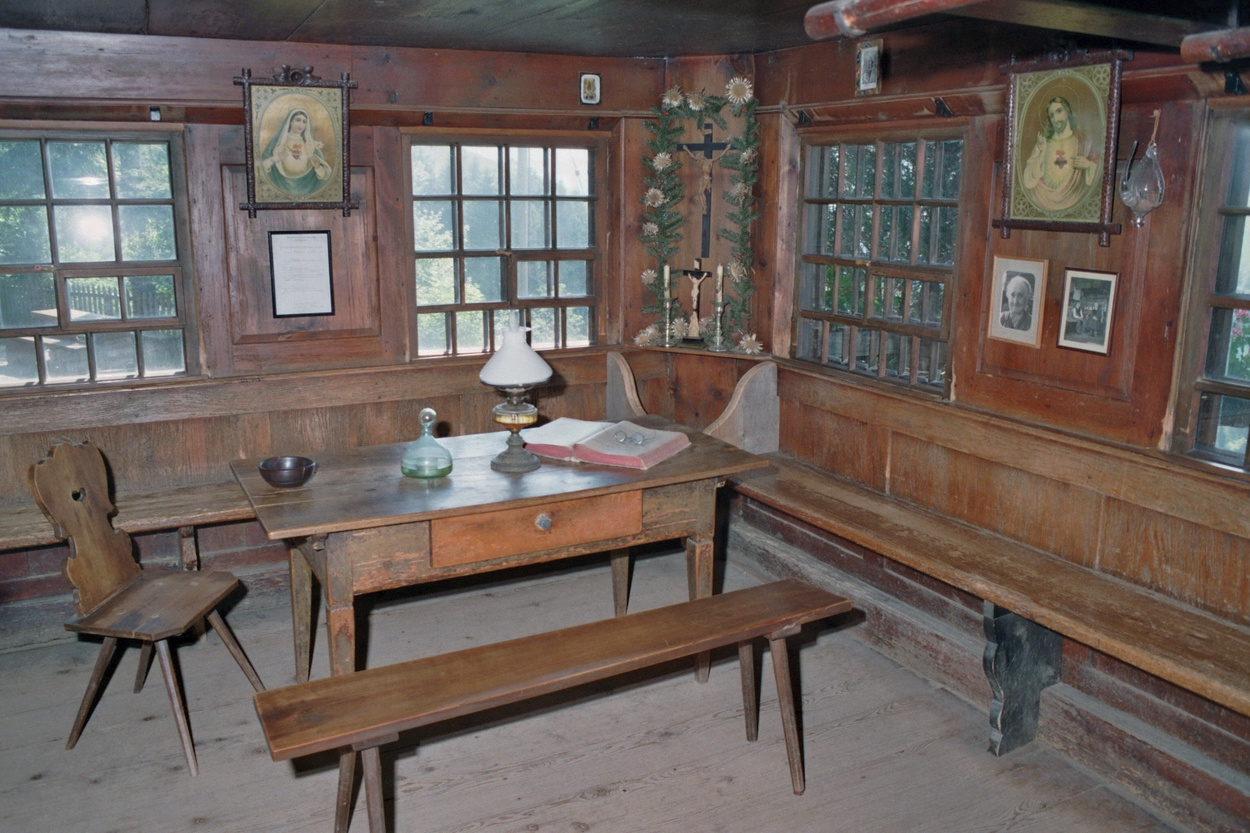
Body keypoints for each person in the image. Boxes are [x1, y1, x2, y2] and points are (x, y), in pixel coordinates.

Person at [1020, 96, 1099, 214]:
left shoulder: (1082, 141)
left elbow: (1099, 176)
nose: (1056, 119)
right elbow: (1029, 181)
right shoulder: (1044, 143)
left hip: (1073, 200)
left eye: (1059, 111)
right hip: (1043, 199)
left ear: (1068, 112)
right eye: (1051, 115)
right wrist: (1040, 153)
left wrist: (1088, 166)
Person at [260, 108, 332, 195]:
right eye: (298, 120)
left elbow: (325, 176)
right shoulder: (278, 142)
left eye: (304, 122)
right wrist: (273, 159)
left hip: (307, 185)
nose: (301, 124)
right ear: (290, 121)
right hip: (281, 183)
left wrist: (317, 167)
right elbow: (260, 168)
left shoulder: (311, 144)